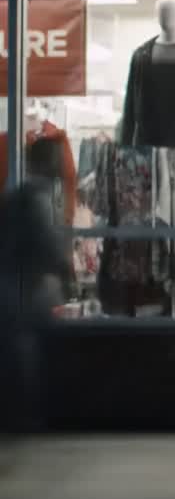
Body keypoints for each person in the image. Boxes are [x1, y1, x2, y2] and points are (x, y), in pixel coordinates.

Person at [0, 140, 74, 435]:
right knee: (24, 355)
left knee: (19, 353)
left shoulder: (20, 195)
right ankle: (23, 419)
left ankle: (20, 417)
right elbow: (49, 247)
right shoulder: (37, 199)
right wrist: (64, 269)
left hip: (15, 289)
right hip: (24, 292)